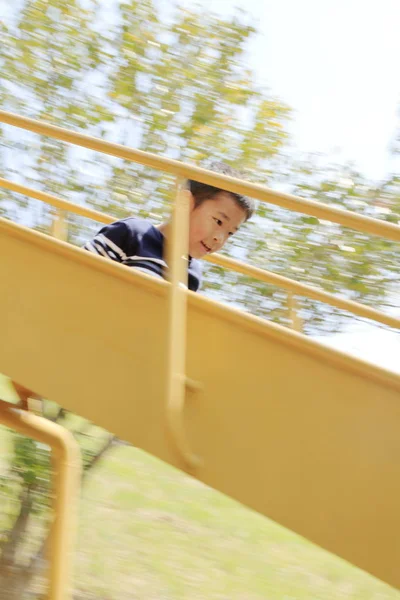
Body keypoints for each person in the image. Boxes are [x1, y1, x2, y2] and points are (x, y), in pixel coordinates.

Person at [83, 162, 255, 291]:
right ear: (184, 204)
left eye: (230, 233)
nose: (220, 238)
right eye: (218, 221)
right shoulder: (133, 233)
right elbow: (77, 273)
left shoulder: (192, 275)